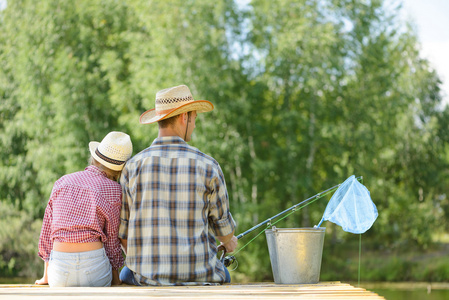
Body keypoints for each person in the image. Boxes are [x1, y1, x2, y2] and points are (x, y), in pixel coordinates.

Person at [118, 84, 237, 286]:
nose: (195, 125)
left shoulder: (132, 167)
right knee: (225, 274)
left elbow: (124, 235)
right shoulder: (208, 166)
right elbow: (224, 232)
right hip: (202, 276)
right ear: (185, 117)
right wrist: (229, 242)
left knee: (125, 274)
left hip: (147, 278)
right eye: (195, 119)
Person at [36, 131, 133, 287]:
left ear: (94, 158)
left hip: (59, 272)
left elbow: (47, 231)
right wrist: (115, 279)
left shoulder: (62, 182)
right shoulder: (115, 190)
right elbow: (112, 240)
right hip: (95, 269)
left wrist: (46, 276)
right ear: (119, 170)